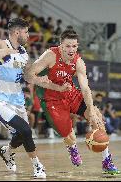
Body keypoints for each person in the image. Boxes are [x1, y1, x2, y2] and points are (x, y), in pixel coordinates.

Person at [25, 28, 120, 175]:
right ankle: (72, 148)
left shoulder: (78, 61)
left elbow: (85, 88)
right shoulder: (50, 56)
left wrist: (92, 111)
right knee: (69, 135)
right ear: (61, 46)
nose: (71, 49)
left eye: (74, 46)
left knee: (98, 118)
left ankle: (107, 161)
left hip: (70, 93)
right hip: (51, 99)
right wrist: (53, 86)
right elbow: (28, 76)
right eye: (68, 46)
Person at [0, 0, 46, 178]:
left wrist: (44, 81)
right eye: (26, 31)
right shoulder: (2, 45)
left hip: (17, 99)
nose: (28, 34)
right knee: (25, 130)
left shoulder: (24, 53)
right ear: (17, 32)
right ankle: (37, 166)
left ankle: (7, 151)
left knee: (22, 133)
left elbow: (27, 77)